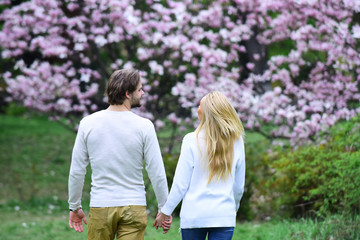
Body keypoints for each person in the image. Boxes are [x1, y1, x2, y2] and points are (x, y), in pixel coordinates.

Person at [68, 68, 171, 240]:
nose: (143, 92)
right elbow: (156, 172)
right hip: (134, 205)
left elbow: (77, 170)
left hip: (101, 205)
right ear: (127, 94)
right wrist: (164, 209)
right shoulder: (144, 126)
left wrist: (74, 206)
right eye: (139, 89)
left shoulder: (88, 123)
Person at [153, 91, 246, 240]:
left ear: (207, 113)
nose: (197, 109)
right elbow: (239, 187)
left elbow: (180, 184)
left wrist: (165, 212)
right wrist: (231, 209)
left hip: (194, 216)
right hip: (224, 216)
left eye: (199, 105)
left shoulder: (191, 140)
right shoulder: (237, 141)